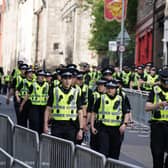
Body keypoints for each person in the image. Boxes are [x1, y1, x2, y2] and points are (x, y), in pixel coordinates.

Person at [91, 80, 130, 159]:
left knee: (114, 154)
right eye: (108, 88)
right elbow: (94, 113)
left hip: (116, 129)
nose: (110, 90)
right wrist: (92, 126)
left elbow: (126, 112)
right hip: (103, 128)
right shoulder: (101, 98)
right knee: (103, 151)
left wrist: (124, 124)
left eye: (112, 88)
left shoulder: (120, 99)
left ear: (116, 89)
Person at [44, 68, 83, 143]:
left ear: (72, 80)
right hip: (57, 125)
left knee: (69, 150)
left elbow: (80, 112)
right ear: (61, 79)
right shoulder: (55, 91)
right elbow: (48, 109)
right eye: (65, 79)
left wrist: (80, 129)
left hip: (71, 125)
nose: (67, 81)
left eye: (69, 78)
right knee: (56, 149)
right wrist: (45, 125)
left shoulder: (75, 92)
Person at [145, 68, 168, 168]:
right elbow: (147, 107)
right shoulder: (155, 90)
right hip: (158, 126)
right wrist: (158, 105)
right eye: (165, 81)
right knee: (157, 153)